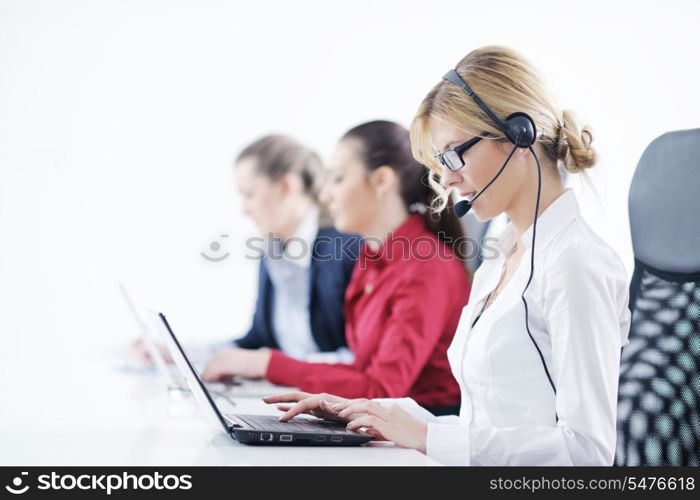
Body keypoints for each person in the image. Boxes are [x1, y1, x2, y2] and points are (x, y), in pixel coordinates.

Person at [264, 46, 632, 465]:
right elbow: (491, 424)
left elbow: (587, 453)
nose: (449, 177)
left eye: (455, 152)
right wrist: (378, 413)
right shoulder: (502, 255)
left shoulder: (575, 263)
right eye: (442, 161)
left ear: (519, 133)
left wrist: (425, 436)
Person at [204, 120, 471, 415]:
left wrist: (268, 364)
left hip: (421, 433)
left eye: (338, 179)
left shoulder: (425, 266)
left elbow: (381, 389)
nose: (325, 195)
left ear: (381, 181)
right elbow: (359, 369)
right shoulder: (371, 260)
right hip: (378, 422)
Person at [135, 135, 360, 367]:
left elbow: (361, 358)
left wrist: (273, 367)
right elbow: (256, 342)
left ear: (287, 186)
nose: (245, 209)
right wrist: (176, 353)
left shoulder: (345, 249)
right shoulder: (272, 250)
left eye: (249, 194)